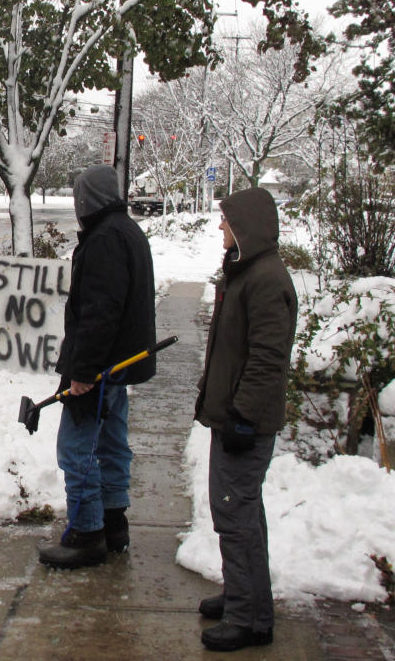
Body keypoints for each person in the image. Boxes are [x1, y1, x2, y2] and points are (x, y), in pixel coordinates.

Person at [194, 187, 297, 652]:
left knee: (236, 514)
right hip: (235, 416)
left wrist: (243, 414)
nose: (220, 227)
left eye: (226, 221)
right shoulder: (248, 272)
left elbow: (269, 358)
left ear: (246, 226)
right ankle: (243, 596)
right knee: (239, 512)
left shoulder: (266, 280)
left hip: (245, 422)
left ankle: (250, 618)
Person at [38, 164, 156, 569]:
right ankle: (113, 524)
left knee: (77, 450)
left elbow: (100, 313)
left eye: (78, 198)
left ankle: (86, 534)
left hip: (101, 369)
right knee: (111, 446)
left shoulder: (105, 239)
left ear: (88, 200)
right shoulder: (127, 231)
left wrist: (83, 373)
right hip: (120, 367)